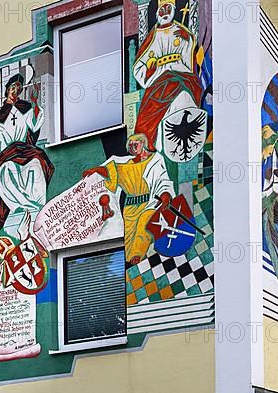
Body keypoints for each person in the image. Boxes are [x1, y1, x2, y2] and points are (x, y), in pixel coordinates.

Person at [0, 73, 54, 232]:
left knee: (36, 165)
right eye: (12, 88)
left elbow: (34, 123)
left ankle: (38, 206)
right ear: (7, 90)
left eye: (18, 88)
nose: (15, 91)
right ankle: (20, 207)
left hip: (25, 151)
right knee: (6, 171)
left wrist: (34, 102)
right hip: (8, 155)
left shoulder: (24, 108)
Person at [83, 134, 175, 264]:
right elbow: (111, 171)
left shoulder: (155, 160)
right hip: (130, 206)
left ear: (143, 143)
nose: (132, 148)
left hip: (150, 201)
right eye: (130, 146)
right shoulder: (127, 164)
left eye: (135, 144)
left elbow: (163, 180)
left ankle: (138, 255)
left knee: (144, 222)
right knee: (129, 236)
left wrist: (165, 195)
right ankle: (131, 260)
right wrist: (96, 170)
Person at [132, 0, 203, 152]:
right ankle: (155, 143)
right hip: (159, 76)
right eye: (161, 10)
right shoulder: (153, 36)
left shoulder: (181, 30)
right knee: (149, 108)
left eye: (167, 9)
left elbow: (189, 58)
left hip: (180, 71)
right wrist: (149, 70)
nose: (164, 13)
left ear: (173, 10)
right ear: (157, 13)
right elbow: (140, 66)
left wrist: (188, 39)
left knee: (183, 95)